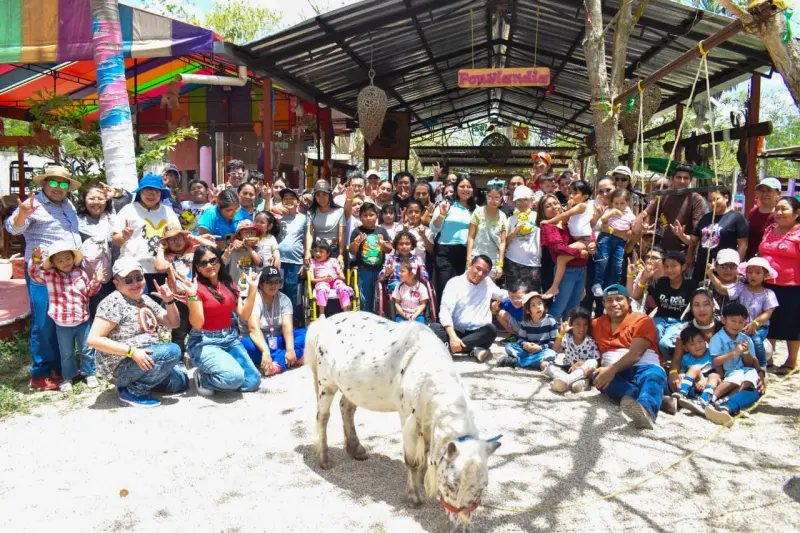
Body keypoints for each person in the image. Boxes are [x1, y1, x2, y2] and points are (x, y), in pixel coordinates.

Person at [5, 166, 84, 390]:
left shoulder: (67, 205)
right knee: (44, 322)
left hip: (68, 272)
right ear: (44, 184)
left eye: (64, 184)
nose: (59, 188)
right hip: (43, 273)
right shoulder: (34, 205)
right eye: (54, 183)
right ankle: (40, 373)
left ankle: (59, 366)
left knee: (61, 319)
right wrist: (22, 214)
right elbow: (13, 229)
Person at [86, 257, 188, 407]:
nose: (135, 283)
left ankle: (140, 382)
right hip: (122, 364)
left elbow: (173, 323)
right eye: (128, 280)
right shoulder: (113, 302)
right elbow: (93, 339)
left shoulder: (145, 299)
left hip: (146, 359)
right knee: (173, 350)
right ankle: (133, 392)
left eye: (139, 278)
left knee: (181, 382)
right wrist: (131, 352)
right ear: (116, 283)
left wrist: (169, 301)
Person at [184, 246, 261, 396]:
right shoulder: (195, 288)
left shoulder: (228, 283)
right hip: (204, 341)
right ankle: (203, 377)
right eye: (203, 263)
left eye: (213, 260)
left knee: (253, 381)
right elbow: (198, 324)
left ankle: (219, 375)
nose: (209, 266)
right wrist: (192, 296)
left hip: (229, 338)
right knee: (234, 378)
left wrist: (252, 289)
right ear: (197, 268)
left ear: (219, 261)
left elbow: (244, 315)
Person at [29, 243, 103, 391]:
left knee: (86, 349)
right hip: (62, 324)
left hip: (82, 320)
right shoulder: (50, 275)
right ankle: (68, 377)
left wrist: (96, 282)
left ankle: (89, 373)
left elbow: (89, 292)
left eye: (68, 258)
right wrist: (36, 259)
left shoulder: (80, 274)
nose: (65, 263)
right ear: (54, 263)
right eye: (60, 261)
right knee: (66, 353)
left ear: (73, 258)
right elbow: (35, 274)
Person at [593, 284, 667, 430]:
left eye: (619, 299)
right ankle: (651, 398)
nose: (614, 304)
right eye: (609, 300)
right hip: (616, 372)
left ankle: (646, 411)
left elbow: (635, 355)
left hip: (645, 367)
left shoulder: (642, 320)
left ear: (629, 301)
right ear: (603, 304)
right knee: (598, 378)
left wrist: (611, 370)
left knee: (653, 377)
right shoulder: (596, 323)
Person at [430, 255, 508, 362]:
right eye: (478, 268)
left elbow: (504, 295)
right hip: (456, 331)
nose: (480, 274)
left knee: (491, 330)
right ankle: (472, 349)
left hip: (478, 333)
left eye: (485, 272)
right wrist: (452, 337)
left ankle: (450, 348)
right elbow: (445, 311)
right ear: (470, 266)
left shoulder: (488, 283)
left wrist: (525, 297)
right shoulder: (454, 283)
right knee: (434, 327)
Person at [113, 173, 182, 294]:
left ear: (161, 194)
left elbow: (178, 237)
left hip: (162, 270)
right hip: (134, 271)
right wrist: (124, 237)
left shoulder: (168, 212)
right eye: (147, 191)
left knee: (161, 307)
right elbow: (115, 239)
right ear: (140, 192)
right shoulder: (129, 210)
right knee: (139, 308)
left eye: (156, 192)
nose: (152, 195)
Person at [707, 256, 777, 368]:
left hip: (759, 326)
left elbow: (768, 312)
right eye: (750, 272)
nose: (753, 275)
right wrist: (710, 274)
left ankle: (762, 367)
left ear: (766, 276)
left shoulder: (768, 293)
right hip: (739, 324)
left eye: (758, 273)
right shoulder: (741, 287)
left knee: (756, 340)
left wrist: (755, 323)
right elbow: (723, 289)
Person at [758, 196, 800, 374]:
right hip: (768, 284)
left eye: (784, 209)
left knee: (792, 322)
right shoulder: (769, 230)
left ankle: (791, 361)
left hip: (792, 285)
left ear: (797, 213)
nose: (779, 213)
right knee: (770, 321)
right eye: (777, 209)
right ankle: (768, 358)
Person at [705, 302, 765, 426]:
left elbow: (751, 362)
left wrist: (746, 352)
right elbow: (716, 361)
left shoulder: (746, 339)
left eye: (741, 322)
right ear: (723, 320)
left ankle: (727, 401)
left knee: (752, 377)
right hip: (729, 371)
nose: (736, 325)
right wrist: (734, 352)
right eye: (733, 321)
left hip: (744, 370)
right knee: (736, 378)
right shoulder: (717, 338)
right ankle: (712, 399)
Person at [672, 186, 748, 283]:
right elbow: (693, 240)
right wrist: (681, 235)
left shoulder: (737, 218)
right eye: (710, 201)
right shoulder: (705, 218)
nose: (713, 203)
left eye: (716, 199)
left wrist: (735, 265)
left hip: (724, 269)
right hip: (702, 266)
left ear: (726, 198)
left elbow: (743, 245)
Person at [241, 266, 306, 377]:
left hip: (278, 340)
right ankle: (289, 358)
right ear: (261, 284)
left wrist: (290, 348)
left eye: (277, 282)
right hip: (258, 343)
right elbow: (253, 329)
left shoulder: (284, 299)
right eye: (269, 282)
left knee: (308, 333)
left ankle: (278, 364)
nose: (273, 285)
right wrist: (265, 351)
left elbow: (287, 326)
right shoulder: (254, 299)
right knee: (246, 345)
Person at [538, 194, 592, 321]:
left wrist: (590, 246)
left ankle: (567, 337)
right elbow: (558, 248)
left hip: (581, 270)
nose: (554, 207)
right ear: (543, 212)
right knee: (559, 307)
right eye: (548, 206)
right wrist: (579, 252)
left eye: (555, 203)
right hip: (566, 271)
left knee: (573, 309)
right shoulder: (548, 227)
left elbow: (586, 235)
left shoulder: (568, 223)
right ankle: (547, 335)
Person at [632, 251, 696, 357]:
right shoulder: (660, 282)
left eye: (674, 266)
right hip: (660, 319)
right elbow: (636, 296)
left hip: (680, 322)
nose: (670, 270)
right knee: (650, 338)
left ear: (683, 267)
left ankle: (670, 363)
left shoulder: (691, 285)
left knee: (664, 344)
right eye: (666, 266)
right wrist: (645, 278)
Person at [541, 180, 595, 299]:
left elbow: (565, 216)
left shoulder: (582, 205)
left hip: (584, 240)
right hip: (581, 241)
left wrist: (549, 221)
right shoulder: (577, 207)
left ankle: (555, 287)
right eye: (570, 193)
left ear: (585, 197)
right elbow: (566, 220)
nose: (570, 195)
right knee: (564, 259)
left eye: (574, 193)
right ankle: (560, 288)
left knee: (561, 258)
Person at [637, 163, 705, 255]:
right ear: (672, 178)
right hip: (662, 250)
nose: (682, 181)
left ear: (690, 180)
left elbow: (697, 233)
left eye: (686, 178)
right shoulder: (664, 196)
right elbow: (647, 213)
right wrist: (644, 223)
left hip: (684, 252)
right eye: (679, 177)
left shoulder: (696, 199)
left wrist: (690, 254)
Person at [430, 175, 476, 303]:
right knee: (445, 287)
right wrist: (442, 214)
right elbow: (434, 228)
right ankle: (442, 320)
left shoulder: (477, 210)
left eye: (469, 187)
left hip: (467, 252)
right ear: (456, 189)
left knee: (463, 290)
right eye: (462, 186)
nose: (465, 189)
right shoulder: (446, 205)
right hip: (445, 252)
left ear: (473, 190)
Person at [76, 182, 116, 317]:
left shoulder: (112, 218)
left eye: (100, 198)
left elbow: (130, 197)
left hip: (111, 276)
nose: (96, 202)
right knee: (92, 313)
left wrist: (116, 192)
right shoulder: (76, 222)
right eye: (92, 198)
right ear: (84, 199)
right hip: (86, 278)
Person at [591, 188, 636, 297]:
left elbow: (634, 229)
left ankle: (614, 286)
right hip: (606, 238)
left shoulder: (630, 215)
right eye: (616, 203)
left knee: (618, 264)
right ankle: (597, 284)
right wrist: (613, 212)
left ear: (628, 203)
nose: (619, 206)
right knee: (603, 260)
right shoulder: (610, 210)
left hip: (620, 241)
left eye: (622, 203)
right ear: (612, 203)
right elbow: (603, 220)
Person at [349, 202, 392, 313]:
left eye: (371, 215)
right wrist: (357, 242)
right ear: (360, 217)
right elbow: (352, 251)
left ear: (377, 215)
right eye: (365, 215)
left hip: (379, 269)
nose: (368, 218)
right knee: (365, 299)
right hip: (364, 270)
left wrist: (382, 244)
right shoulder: (357, 231)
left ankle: (381, 317)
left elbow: (389, 249)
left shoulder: (382, 231)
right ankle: (366, 318)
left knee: (381, 297)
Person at [669, 325, 721, 415]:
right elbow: (682, 370)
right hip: (694, 387)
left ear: (705, 342)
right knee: (694, 368)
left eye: (700, 342)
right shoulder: (686, 358)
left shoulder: (711, 354)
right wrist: (681, 373)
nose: (697, 346)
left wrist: (705, 381)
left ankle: (703, 401)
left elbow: (719, 372)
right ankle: (682, 393)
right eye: (692, 344)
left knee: (714, 376)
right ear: (685, 348)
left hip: (710, 386)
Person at [498, 292, 559, 370]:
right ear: (527, 310)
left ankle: (515, 362)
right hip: (528, 351)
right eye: (533, 305)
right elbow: (520, 339)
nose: (538, 307)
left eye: (540, 303)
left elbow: (553, 343)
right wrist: (524, 344)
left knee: (552, 354)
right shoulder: (526, 322)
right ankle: (536, 362)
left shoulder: (551, 320)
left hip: (543, 351)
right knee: (509, 346)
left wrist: (540, 347)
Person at [550, 307, 601, 393]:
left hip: (584, 371)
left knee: (592, 363)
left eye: (585, 325)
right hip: (569, 369)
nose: (581, 328)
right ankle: (579, 383)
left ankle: (566, 381)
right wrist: (561, 333)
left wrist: (581, 363)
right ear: (571, 324)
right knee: (548, 366)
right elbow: (555, 349)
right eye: (578, 324)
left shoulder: (590, 341)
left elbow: (596, 361)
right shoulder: (567, 337)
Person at [223, 219, 278, 297]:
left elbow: (259, 263)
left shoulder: (259, 248)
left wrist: (249, 248)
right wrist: (229, 249)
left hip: (253, 290)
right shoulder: (234, 249)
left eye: (252, 232)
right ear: (239, 235)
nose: (249, 235)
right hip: (236, 289)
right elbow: (223, 263)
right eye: (245, 232)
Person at [466, 184, 508, 280]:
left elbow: (502, 242)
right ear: (486, 196)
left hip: (493, 259)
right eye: (490, 197)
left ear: (501, 198)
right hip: (476, 255)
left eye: (497, 197)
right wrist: (469, 258)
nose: (493, 200)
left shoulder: (503, 216)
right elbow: (471, 237)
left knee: (489, 291)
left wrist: (500, 264)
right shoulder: (478, 212)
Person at [505, 185, 542, 292]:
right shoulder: (511, 219)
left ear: (531, 200)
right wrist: (515, 231)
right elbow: (504, 242)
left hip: (533, 263)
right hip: (512, 261)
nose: (522, 203)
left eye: (525, 199)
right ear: (514, 202)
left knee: (532, 296)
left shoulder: (538, 216)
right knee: (513, 295)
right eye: (519, 200)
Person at [304, 181, 346, 268]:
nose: (321, 198)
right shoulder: (311, 212)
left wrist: (341, 254)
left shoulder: (339, 211)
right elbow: (309, 233)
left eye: (324, 194)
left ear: (330, 195)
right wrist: (307, 251)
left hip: (334, 249)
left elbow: (342, 235)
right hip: (317, 250)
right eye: (318, 195)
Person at [276, 188, 307, 308]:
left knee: (295, 296)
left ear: (298, 202)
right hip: (279, 262)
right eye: (285, 199)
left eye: (292, 198)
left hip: (296, 264)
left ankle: (296, 324)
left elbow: (307, 241)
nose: (288, 201)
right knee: (278, 294)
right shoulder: (276, 217)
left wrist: (305, 262)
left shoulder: (303, 218)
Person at [310, 239, 353, 317]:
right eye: (315, 251)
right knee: (322, 288)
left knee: (344, 288)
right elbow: (312, 280)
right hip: (321, 281)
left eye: (321, 251)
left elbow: (342, 277)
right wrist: (324, 279)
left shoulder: (333, 261)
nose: (317, 253)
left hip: (335, 280)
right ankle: (321, 314)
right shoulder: (312, 262)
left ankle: (346, 313)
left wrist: (334, 277)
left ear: (328, 253)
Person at [746, 177, 780, 259]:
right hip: (751, 259)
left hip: (772, 259)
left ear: (778, 193)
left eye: (769, 190)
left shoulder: (781, 215)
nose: (765, 194)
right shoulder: (753, 212)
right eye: (762, 191)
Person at [402, 200, 434, 264]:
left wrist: (423, 236)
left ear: (421, 213)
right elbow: (395, 247)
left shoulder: (427, 230)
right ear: (406, 213)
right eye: (410, 212)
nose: (413, 214)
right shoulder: (400, 228)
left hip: (420, 266)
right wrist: (404, 232)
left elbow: (431, 250)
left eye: (416, 212)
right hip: (402, 266)